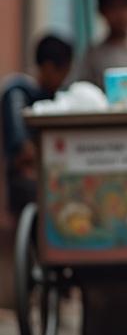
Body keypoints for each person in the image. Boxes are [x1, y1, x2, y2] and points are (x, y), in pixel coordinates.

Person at [3, 35, 73, 218]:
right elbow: (23, 152)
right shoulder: (17, 93)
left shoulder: (55, 97)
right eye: (64, 72)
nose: (64, 79)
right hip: (25, 184)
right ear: (49, 68)